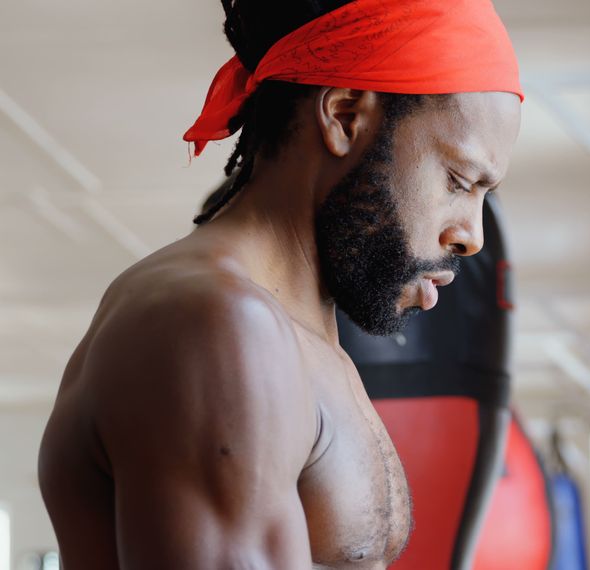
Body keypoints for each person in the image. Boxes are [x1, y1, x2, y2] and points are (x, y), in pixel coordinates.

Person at [36, 0, 522, 567]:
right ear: (344, 117)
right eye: (459, 181)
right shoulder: (216, 324)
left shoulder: (305, 341)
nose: (473, 237)